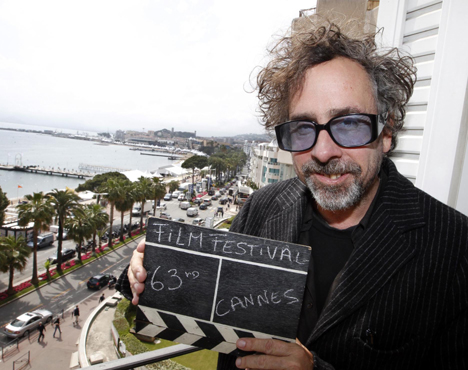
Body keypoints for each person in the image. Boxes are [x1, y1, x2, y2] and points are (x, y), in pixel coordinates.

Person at [117, 20, 468, 369]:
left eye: (349, 123)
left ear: (386, 133)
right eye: (303, 129)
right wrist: (145, 277)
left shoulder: (455, 250)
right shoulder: (263, 205)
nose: (324, 152)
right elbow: (209, 300)